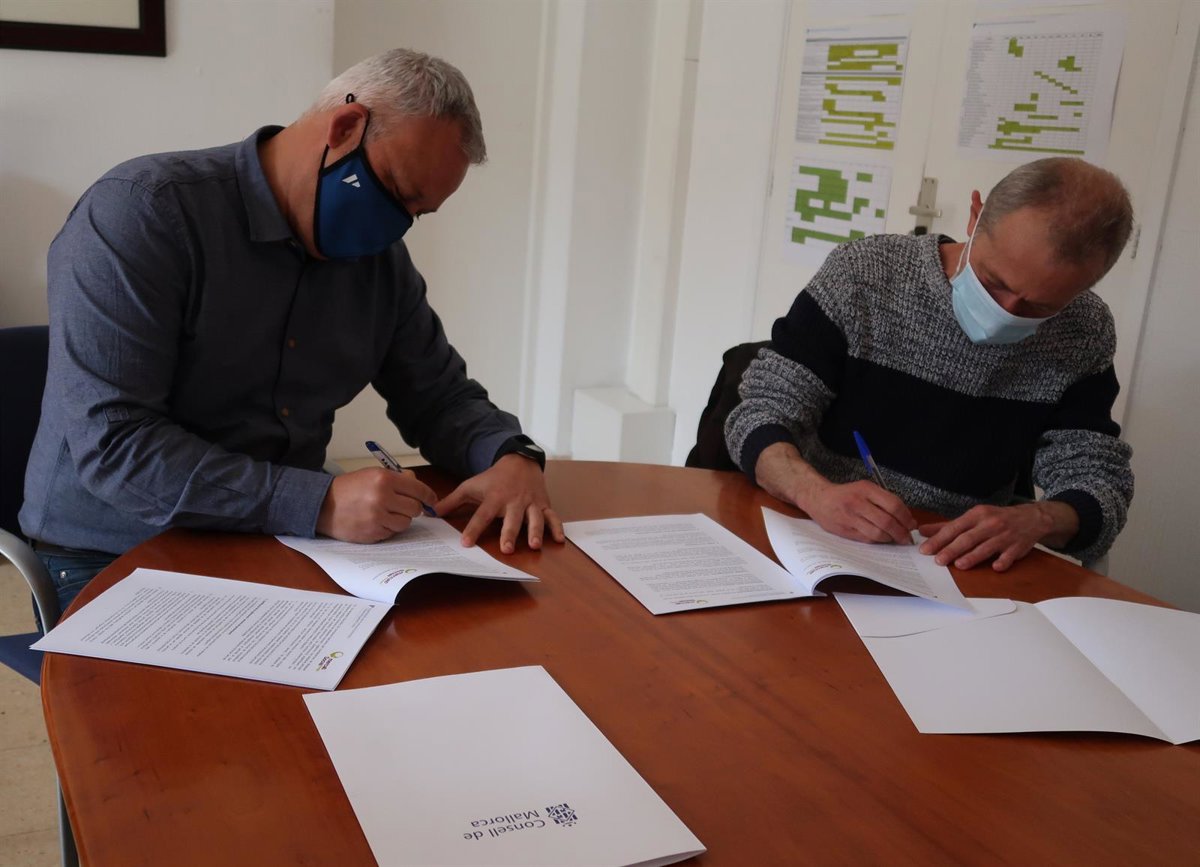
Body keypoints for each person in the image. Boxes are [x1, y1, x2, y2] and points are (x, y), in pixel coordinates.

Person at [21, 49, 564, 614]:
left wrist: (511, 456)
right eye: (397, 192)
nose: (395, 227)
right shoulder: (143, 213)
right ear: (346, 126)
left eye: (417, 213)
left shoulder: (378, 262)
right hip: (115, 548)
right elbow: (116, 445)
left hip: (286, 537)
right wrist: (318, 502)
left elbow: (439, 395)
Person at [725, 157, 1134, 572]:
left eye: (1039, 306)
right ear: (976, 217)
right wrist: (816, 494)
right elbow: (759, 413)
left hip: (953, 561)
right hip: (819, 535)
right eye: (994, 281)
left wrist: (1041, 518)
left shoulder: (1083, 329)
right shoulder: (865, 275)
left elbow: (1100, 481)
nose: (1006, 311)